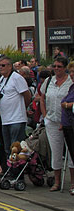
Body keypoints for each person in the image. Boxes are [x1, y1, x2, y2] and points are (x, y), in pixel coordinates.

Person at [40, 56, 73, 191]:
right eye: (54, 66)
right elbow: (41, 98)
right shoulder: (49, 81)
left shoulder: (71, 82)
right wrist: (45, 116)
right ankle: (57, 182)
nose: (56, 69)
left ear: (65, 68)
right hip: (52, 121)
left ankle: (72, 183)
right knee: (56, 151)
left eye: (59, 66)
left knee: (71, 152)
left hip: (69, 122)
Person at [0, 56, 31, 155]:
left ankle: (18, 169)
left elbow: (27, 95)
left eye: (3, 65)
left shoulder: (17, 78)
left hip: (16, 119)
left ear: (10, 66)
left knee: (16, 148)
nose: (0, 68)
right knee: (7, 148)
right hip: (5, 119)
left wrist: (23, 108)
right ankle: (10, 168)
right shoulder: (2, 79)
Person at [60, 62, 74, 195]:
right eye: (71, 72)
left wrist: (68, 105)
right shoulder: (72, 87)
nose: (72, 75)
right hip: (67, 125)